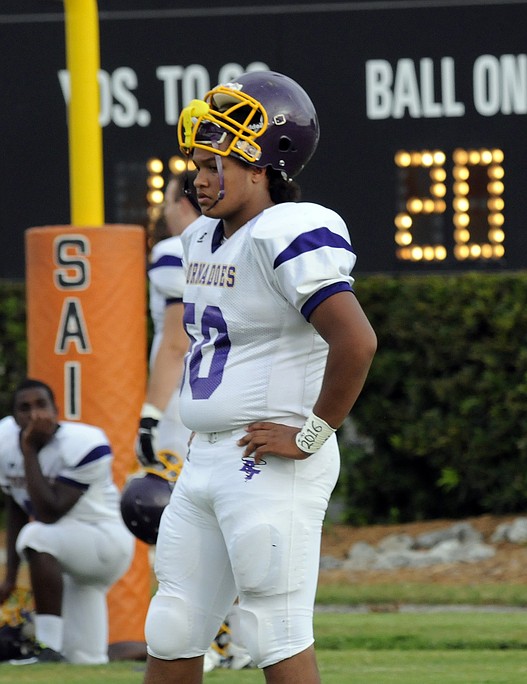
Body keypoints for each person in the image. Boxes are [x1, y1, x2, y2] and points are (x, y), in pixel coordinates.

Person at [142, 70, 377, 684]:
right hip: (208, 457)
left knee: (269, 628)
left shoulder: (288, 229)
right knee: (172, 625)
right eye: (196, 161)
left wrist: (310, 434)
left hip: (271, 461)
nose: (198, 176)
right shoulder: (197, 237)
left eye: (214, 160)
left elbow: (356, 340)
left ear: (261, 162)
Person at [0, 378, 135, 664]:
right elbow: (17, 507)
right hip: (68, 546)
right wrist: (10, 578)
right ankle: (162, 654)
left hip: (104, 543)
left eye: (41, 405)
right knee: (86, 658)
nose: (34, 414)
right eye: (24, 408)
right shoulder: (3, 439)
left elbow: (49, 512)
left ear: (56, 410)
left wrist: (28, 450)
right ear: (14, 417)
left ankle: (46, 646)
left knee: (35, 535)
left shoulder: (84, 443)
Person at [135, 169, 201, 469]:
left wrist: (151, 417)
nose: (166, 213)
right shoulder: (233, 244)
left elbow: (177, 344)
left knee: (166, 503)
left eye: (169, 204)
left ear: (184, 205)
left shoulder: (176, 250)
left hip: (184, 396)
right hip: (228, 395)